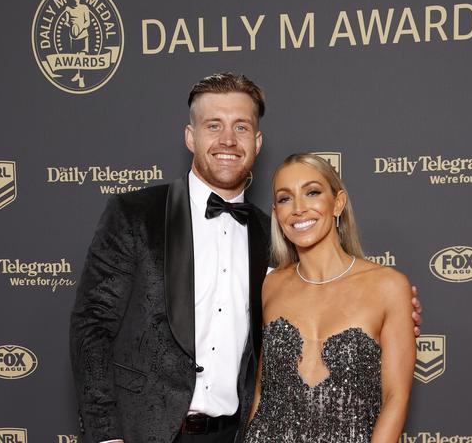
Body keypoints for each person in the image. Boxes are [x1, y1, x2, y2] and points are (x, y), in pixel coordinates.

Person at [69, 73, 422, 443]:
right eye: (213, 125)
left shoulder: (272, 236)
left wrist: (395, 311)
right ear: (191, 137)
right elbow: (90, 327)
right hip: (140, 433)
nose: (227, 140)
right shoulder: (135, 214)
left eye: (241, 127)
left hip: (235, 435)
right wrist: (105, 435)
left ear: (257, 142)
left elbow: (326, 304)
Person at [244, 153, 416, 443]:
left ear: (337, 203)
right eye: (285, 199)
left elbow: (394, 398)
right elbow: (263, 391)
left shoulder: (388, 286)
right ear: (276, 213)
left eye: (312, 192)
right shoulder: (271, 285)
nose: (298, 208)